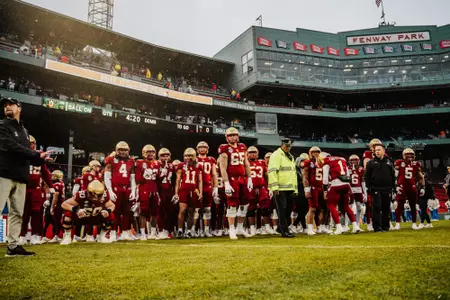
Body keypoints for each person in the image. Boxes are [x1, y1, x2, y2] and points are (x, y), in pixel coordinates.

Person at [0, 97, 52, 257]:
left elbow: (26, 154)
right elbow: (11, 146)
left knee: (17, 213)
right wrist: (34, 154)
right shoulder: (2, 125)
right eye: (5, 106)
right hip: (4, 174)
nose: (7, 107)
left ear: (19, 108)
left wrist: (40, 157)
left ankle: (13, 246)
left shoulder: (24, 131)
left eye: (11, 105)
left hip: (21, 177)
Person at [218, 127, 253, 239]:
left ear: (238, 136)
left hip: (242, 179)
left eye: (234, 135)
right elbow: (222, 167)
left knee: (245, 204)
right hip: (232, 179)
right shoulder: (224, 148)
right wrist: (226, 182)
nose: (233, 137)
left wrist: (250, 178)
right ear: (227, 137)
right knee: (232, 205)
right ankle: (231, 229)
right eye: (230, 135)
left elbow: (246, 164)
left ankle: (239, 228)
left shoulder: (242, 147)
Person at [60, 180, 114, 245]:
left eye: (99, 195)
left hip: (95, 217)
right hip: (81, 217)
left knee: (111, 216)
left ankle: (102, 237)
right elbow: (64, 204)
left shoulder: (105, 196)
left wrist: (107, 211)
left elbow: (112, 205)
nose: (95, 197)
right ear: (88, 191)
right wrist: (76, 210)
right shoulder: (81, 195)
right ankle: (67, 237)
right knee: (67, 215)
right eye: (93, 194)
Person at [319, 152, 360, 235]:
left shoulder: (326, 162)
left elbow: (325, 179)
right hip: (346, 184)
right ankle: (355, 226)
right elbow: (348, 175)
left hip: (335, 185)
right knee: (346, 206)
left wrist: (325, 190)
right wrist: (348, 186)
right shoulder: (342, 159)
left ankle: (338, 227)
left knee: (331, 205)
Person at [104, 141, 137, 241]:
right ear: (116, 150)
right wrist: (110, 190)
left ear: (128, 150)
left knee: (127, 212)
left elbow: (132, 178)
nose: (123, 152)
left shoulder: (131, 161)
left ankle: (125, 232)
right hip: (116, 188)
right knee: (115, 212)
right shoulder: (111, 160)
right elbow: (107, 176)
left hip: (127, 189)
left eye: (125, 150)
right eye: (121, 150)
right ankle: (113, 232)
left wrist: (133, 191)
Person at [268, 138, 297, 238]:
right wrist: (274, 187)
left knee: (288, 209)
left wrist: (295, 189)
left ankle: (281, 227)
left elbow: (293, 174)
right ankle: (284, 230)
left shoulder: (290, 156)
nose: (288, 148)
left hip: (289, 188)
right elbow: (272, 171)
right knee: (282, 210)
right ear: (282, 145)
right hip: (280, 188)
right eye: (286, 146)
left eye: (289, 146)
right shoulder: (276, 155)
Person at [172, 148, 203, 238]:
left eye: (190, 156)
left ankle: (189, 231)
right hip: (184, 190)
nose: (188, 158)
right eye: (186, 155)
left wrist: (200, 193)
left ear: (194, 156)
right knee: (182, 210)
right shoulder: (181, 165)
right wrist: (176, 193)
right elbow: (178, 180)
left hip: (193, 191)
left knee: (191, 212)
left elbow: (200, 181)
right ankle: (180, 230)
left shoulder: (198, 166)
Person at [365, 144, 396, 232]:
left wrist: (394, 188)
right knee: (377, 207)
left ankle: (386, 227)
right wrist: (369, 187)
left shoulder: (389, 162)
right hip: (376, 188)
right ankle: (377, 227)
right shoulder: (370, 163)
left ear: (383, 151)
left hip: (387, 188)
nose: (377, 152)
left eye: (379, 150)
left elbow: (393, 176)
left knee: (386, 207)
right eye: (375, 150)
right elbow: (367, 176)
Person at [393, 148, 425, 230]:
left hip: (412, 186)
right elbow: (394, 176)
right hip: (401, 186)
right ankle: (397, 224)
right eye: (407, 154)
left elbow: (421, 177)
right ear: (404, 155)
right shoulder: (399, 163)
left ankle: (414, 223)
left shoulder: (416, 164)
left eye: (411, 154)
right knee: (399, 206)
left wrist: (422, 187)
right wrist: (396, 186)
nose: (409, 156)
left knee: (413, 206)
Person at [135, 144, 161, 240]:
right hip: (144, 189)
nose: (150, 154)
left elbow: (158, 179)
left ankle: (153, 233)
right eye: (148, 152)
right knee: (143, 212)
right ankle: (143, 233)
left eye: (152, 152)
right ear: (143, 153)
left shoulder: (157, 163)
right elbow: (138, 179)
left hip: (154, 190)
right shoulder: (139, 163)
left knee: (154, 213)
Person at [246, 146, 271, 236]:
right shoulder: (245, 163)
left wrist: (269, 187)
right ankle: (252, 228)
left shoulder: (262, 162)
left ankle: (267, 227)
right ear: (247, 154)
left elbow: (266, 176)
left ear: (257, 153)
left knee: (265, 207)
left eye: (254, 152)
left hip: (261, 188)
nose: (252, 154)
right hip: (249, 188)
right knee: (251, 208)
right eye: (250, 152)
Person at [196, 141, 218, 237]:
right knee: (196, 209)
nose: (202, 149)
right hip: (196, 186)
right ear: (197, 149)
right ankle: (196, 230)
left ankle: (206, 230)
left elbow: (214, 174)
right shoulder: (194, 159)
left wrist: (215, 187)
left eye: (204, 147)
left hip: (208, 186)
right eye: (200, 147)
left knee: (207, 209)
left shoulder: (211, 160)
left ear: (207, 149)